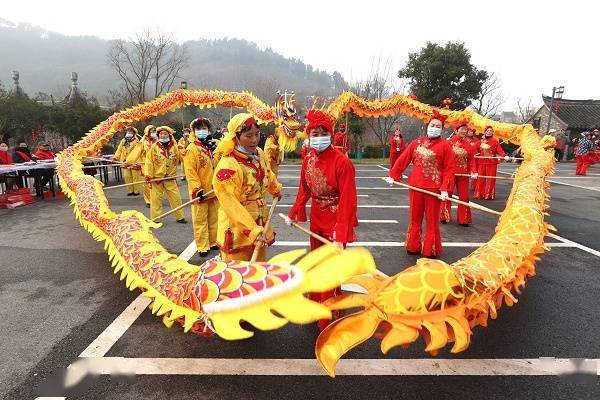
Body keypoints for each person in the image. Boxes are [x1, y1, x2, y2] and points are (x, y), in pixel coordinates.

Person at [286, 109, 358, 331]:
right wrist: (294, 212)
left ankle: (327, 313)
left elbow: (348, 199)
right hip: (317, 219)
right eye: (314, 134)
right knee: (317, 262)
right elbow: (304, 190)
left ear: (330, 133)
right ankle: (317, 302)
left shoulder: (342, 162)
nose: (318, 138)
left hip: (336, 220)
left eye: (322, 133)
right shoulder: (308, 160)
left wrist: (341, 231)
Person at [212, 113, 282, 262]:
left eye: (257, 134)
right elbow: (231, 204)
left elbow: (267, 173)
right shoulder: (228, 166)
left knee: (258, 272)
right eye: (248, 136)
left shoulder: (259, 153)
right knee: (238, 276)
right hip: (238, 230)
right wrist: (253, 231)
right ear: (236, 137)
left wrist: (275, 189)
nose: (254, 140)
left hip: (260, 223)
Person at [387, 110, 455, 258]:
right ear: (427, 125)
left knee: (432, 221)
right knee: (415, 218)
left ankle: (430, 249)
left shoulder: (445, 146)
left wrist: (445, 189)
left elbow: (450, 169)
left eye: (438, 126)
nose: (434, 128)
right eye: (432, 125)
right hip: (415, 187)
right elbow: (403, 159)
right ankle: (413, 246)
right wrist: (393, 175)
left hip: (434, 189)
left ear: (442, 129)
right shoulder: (416, 143)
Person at [184, 118, 218, 257]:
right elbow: (190, 171)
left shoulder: (212, 146)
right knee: (200, 220)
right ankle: (203, 246)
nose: (202, 131)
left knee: (214, 217)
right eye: (199, 129)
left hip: (213, 189)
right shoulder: (191, 149)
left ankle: (213, 242)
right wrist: (197, 189)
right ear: (194, 131)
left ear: (209, 130)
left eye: (204, 128)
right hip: (200, 191)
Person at [144, 126, 187, 223]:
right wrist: (148, 175)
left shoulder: (175, 147)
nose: (163, 135)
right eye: (161, 134)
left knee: (176, 198)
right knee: (155, 200)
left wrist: (185, 154)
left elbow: (184, 158)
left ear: (169, 135)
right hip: (157, 178)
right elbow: (149, 161)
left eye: (165, 134)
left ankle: (180, 217)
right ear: (158, 135)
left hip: (170, 178)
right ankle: (156, 219)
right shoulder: (154, 147)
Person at [440, 120, 476, 226]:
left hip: (463, 175)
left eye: (466, 129)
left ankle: (463, 219)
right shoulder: (448, 143)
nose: (464, 131)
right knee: (447, 194)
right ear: (456, 131)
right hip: (450, 174)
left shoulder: (468, 145)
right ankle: (444, 216)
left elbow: (472, 160)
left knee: (464, 197)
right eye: (462, 129)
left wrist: (473, 171)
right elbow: (442, 159)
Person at [474, 126, 509, 200]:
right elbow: (473, 149)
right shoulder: (480, 141)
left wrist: (504, 156)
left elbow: (500, 150)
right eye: (488, 130)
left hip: (491, 162)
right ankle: (480, 194)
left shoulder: (495, 141)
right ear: (485, 132)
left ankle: (489, 195)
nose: (489, 132)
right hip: (482, 162)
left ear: (492, 132)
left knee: (491, 179)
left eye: (491, 130)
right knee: (481, 179)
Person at [114, 126, 143, 196]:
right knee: (127, 177)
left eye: (131, 132)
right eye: (128, 131)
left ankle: (136, 191)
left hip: (134, 162)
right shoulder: (123, 141)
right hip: (124, 161)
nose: (129, 133)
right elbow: (119, 150)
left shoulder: (137, 141)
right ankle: (130, 191)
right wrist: (115, 157)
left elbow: (138, 152)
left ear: (134, 133)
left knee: (135, 177)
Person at [140, 125, 158, 207]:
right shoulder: (143, 141)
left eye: (154, 131)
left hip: (156, 164)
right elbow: (137, 152)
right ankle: (148, 201)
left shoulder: (158, 140)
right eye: (151, 131)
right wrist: (130, 161)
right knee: (147, 183)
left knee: (156, 182)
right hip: (145, 164)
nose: (153, 132)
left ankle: (155, 199)